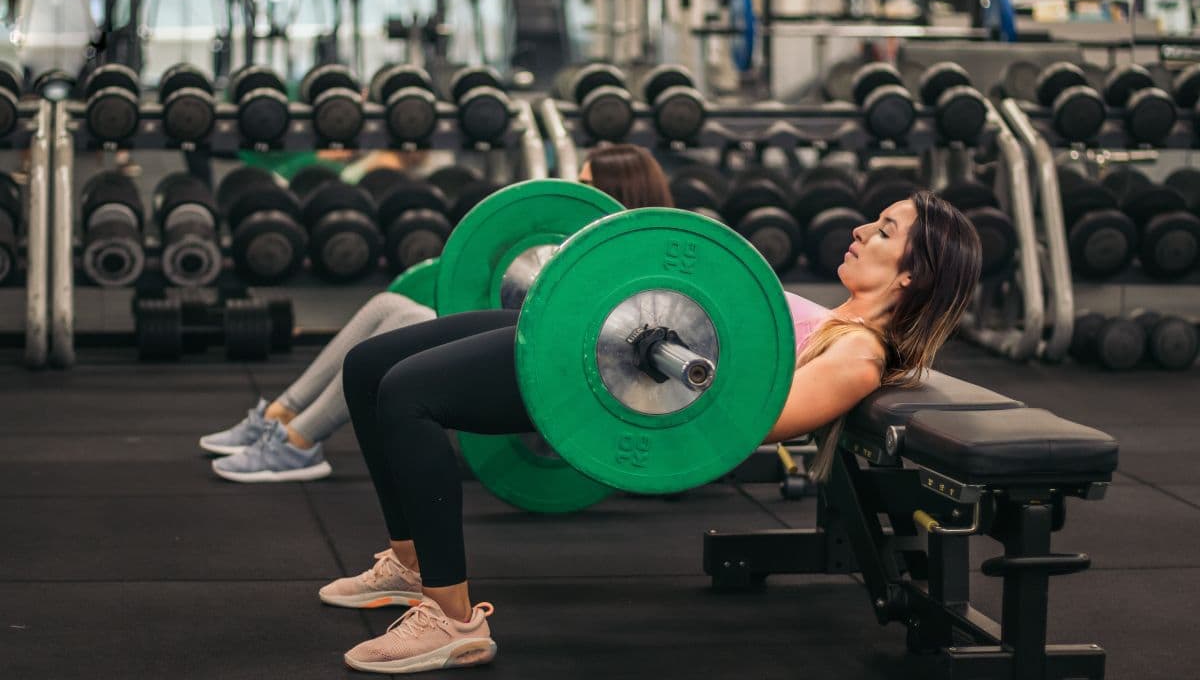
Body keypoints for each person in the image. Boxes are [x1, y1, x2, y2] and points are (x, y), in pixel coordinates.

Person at [323, 188, 982, 674]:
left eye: (886, 230)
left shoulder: (859, 355)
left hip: (610, 379)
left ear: (910, 274)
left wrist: (685, 358)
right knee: (369, 366)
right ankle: (409, 566)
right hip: (605, 331)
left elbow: (754, 423)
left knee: (408, 396)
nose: (862, 228)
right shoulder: (836, 320)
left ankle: (451, 617)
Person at [198, 143, 674, 482]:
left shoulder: (639, 270)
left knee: (405, 321)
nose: (575, 193)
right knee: (389, 305)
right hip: (531, 346)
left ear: (620, 196)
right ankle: (283, 417)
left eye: (587, 186)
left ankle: (299, 443)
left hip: (563, 375)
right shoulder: (584, 254)